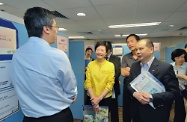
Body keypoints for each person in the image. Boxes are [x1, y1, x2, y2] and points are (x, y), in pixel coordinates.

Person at [10, 7, 77, 122]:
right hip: (57, 117)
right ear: (46, 29)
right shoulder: (58, 56)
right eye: (56, 27)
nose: (56, 31)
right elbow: (71, 90)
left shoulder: (17, 55)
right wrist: (71, 96)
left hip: (29, 119)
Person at [127, 38, 179, 122]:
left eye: (141, 49)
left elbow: (174, 93)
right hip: (137, 112)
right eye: (136, 49)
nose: (137, 52)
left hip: (156, 113)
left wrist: (151, 97)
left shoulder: (165, 68)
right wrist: (135, 94)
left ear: (151, 49)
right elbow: (129, 84)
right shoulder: (134, 66)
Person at [84, 41, 115, 113]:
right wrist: (94, 99)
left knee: (101, 119)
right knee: (89, 119)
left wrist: (99, 98)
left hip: (105, 98)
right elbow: (88, 82)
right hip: (91, 98)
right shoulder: (90, 64)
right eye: (98, 50)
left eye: (102, 50)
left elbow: (110, 83)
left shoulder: (110, 65)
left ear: (106, 52)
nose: (99, 52)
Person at [121, 34, 140, 122]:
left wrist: (130, 69)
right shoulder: (126, 57)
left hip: (141, 85)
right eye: (128, 42)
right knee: (127, 109)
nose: (129, 44)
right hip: (128, 86)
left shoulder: (142, 55)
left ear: (138, 42)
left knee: (139, 110)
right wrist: (135, 70)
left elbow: (145, 72)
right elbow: (123, 73)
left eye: (132, 41)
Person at [105, 41, 121, 122]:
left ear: (108, 50)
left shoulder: (116, 59)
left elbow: (117, 73)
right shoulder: (100, 59)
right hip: (101, 89)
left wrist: (107, 82)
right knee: (103, 110)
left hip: (113, 88)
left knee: (114, 109)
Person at [171, 49, 187, 122]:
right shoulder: (170, 66)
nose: (180, 59)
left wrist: (183, 77)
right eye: (178, 57)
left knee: (182, 111)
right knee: (175, 110)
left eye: (182, 57)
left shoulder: (186, 66)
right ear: (174, 58)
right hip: (173, 90)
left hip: (184, 92)